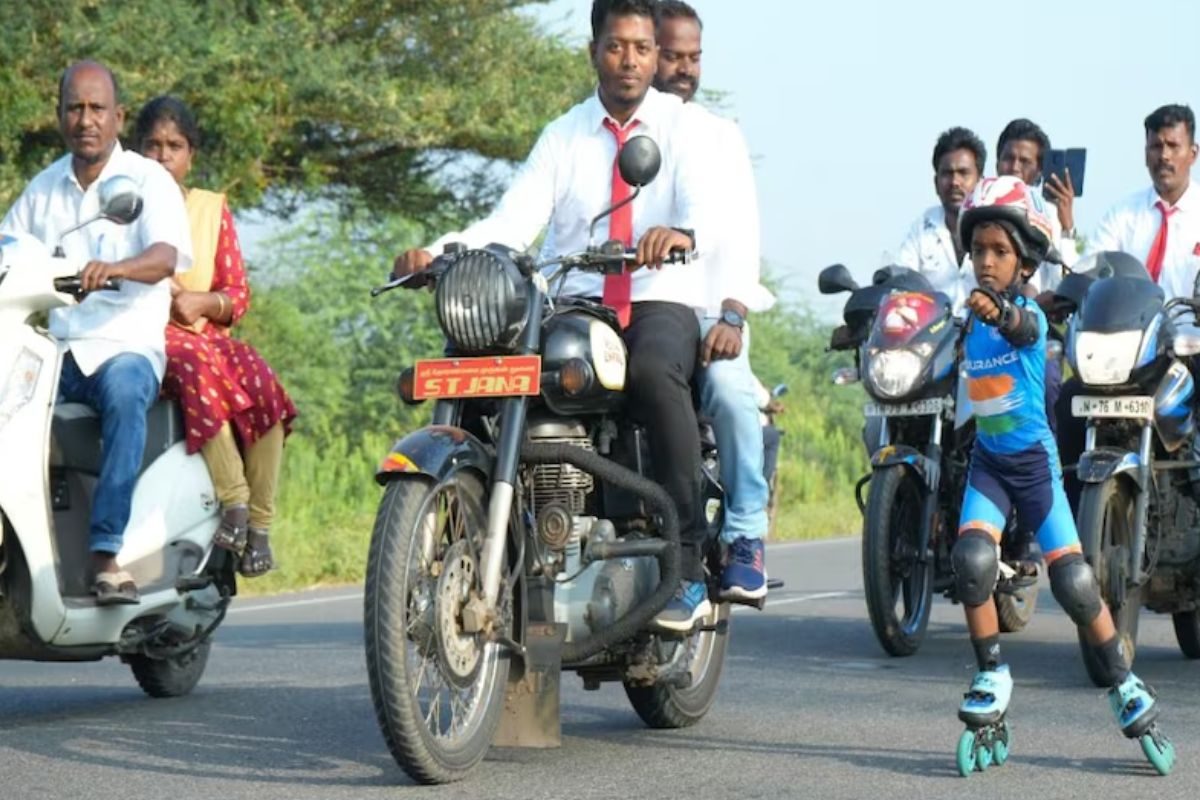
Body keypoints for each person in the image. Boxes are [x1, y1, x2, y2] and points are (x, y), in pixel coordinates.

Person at [392, 0, 715, 631]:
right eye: (617, 46)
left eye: (643, 48)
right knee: (486, 370)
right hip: (574, 297)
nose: (630, 60)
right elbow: (512, 220)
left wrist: (678, 231)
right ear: (594, 50)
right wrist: (439, 251)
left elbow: (702, 204)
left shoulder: (683, 128)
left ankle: (688, 566)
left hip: (655, 292)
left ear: (656, 54)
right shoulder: (564, 134)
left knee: (651, 374)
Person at [952, 175, 1169, 767]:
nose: (986, 263)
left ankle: (1125, 683)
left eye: (999, 253)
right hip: (989, 469)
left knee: (1074, 585)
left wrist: (1000, 311)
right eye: (979, 252)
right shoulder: (968, 319)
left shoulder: (1023, 317)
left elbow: (1022, 328)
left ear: (1024, 261)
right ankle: (991, 674)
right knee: (971, 563)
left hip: (1035, 471)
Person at [0, 61, 192, 604]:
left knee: (127, 395)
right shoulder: (44, 189)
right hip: (59, 351)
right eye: (75, 108)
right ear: (60, 115)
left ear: (118, 117)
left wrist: (118, 270)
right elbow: (8, 246)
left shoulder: (147, 181)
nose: (86, 120)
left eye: (97, 109)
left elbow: (165, 256)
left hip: (125, 345)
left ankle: (107, 555)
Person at [134, 96, 297, 577]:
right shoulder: (122, 205)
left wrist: (202, 303)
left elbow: (237, 294)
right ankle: (235, 501)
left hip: (207, 333)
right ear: (135, 151)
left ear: (191, 156)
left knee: (267, 386)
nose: (163, 156)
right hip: (147, 336)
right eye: (152, 146)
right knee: (195, 361)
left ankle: (262, 526)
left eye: (174, 146)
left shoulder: (210, 209)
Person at [653, 0, 774, 601]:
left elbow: (742, 233)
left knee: (728, 389)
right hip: (648, 310)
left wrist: (731, 313)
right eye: (672, 55)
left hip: (710, 310)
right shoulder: (625, 132)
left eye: (693, 57)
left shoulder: (720, 136)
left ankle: (748, 531)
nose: (684, 68)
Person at [1056, 103, 1200, 511]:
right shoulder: (1123, 215)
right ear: (1145, 153)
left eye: (1173, 145)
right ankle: (1068, 538)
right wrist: (1067, 287)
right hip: (1126, 358)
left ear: (1193, 152)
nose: (1164, 155)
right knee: (1066, 404)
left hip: (1188, 354)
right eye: (1156, 146)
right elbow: (1090, 269)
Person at [894, 127, 986, 310]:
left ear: (980, 181)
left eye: (963, 173)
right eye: (947, 173)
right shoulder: (921, 228)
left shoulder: (995, 226)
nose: (954, 182)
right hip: (932, 335)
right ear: (936, 184)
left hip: (984, 332)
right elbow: (900, 283)